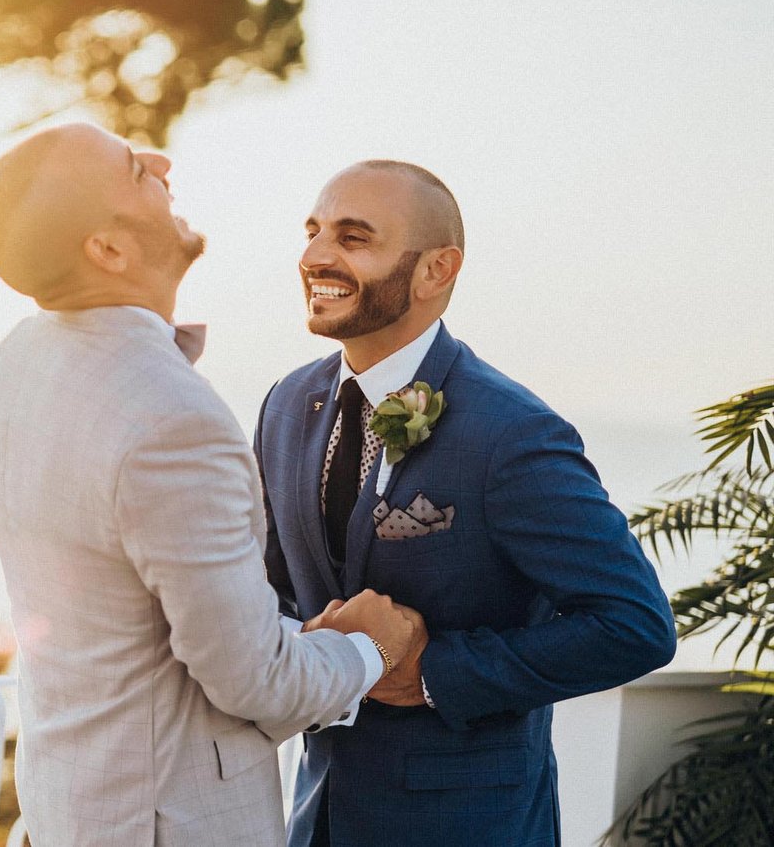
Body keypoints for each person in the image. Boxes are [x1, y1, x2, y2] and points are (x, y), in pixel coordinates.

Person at [0, 123, 421, 847]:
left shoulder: (17, 360)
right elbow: (252, 682)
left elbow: (129, 613)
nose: (160, 161)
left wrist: (276, 631)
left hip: (68, 807)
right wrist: (372, 648)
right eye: (133, 169)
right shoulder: (172, 421)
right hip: (165, 822)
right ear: (109, 250)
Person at [257, 160, 677, 846]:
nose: (314, 256)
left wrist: (433, 671)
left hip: (468, 824)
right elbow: (271, 588)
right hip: (318, 816)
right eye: (313, 231)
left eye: (354, 237)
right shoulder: (285, 404)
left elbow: (634, 626)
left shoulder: (509, 431)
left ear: (436, 270)